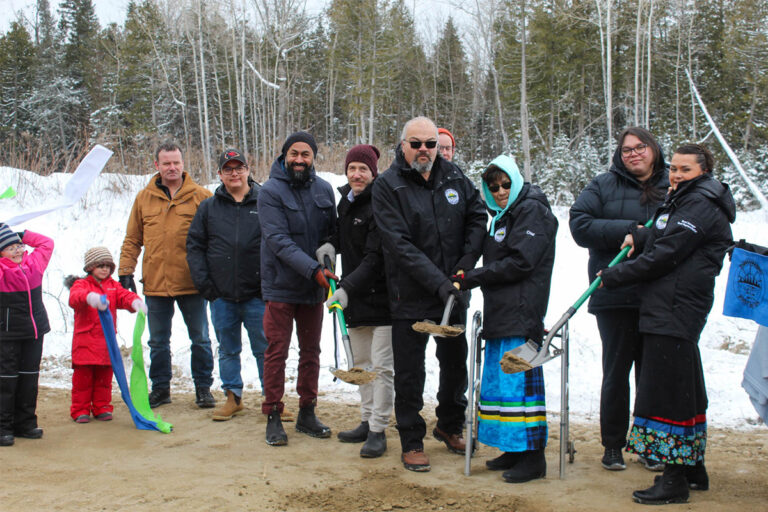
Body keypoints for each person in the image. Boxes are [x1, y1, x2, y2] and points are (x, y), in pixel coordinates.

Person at [599, 143, 735, 505]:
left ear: (703, 171)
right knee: (686, 389)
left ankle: (674, 478)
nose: (676, 175)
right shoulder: (685, 199)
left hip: (675, 307)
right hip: (669, 306)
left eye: (685, 170)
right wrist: (641, 235)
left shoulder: (700, 204)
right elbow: (664, 236)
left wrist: (617, 275)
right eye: (673, 168)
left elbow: (667, 254)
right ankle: (693, 468)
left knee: (668, 394)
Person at [372, 116, 486, 472]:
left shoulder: (454, 177)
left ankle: (449, 425)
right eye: (416, 143)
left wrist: (464, 267)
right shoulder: (387, 186)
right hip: (411, 297)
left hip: (453, 293)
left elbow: (478, 217)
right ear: (402, 145)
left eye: (431, 144)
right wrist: (440, 282)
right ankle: (411, 439)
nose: (424, 150)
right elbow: (399, 246)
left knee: (454, 367)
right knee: (410, 372)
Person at [451, 155, 557, 483]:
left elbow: (521, 261)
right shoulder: (501, 216)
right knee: (502, 388)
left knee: (520, 387)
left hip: (523, 314)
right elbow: (480, 250)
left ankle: (533, 457)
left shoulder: (533, 210)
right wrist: (461, 269)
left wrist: (476, 276)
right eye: (493, 186)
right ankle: (513, 449)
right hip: (501, 314)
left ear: (517, 181)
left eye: (506, 184)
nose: (499, 191)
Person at [569, 127, 669, 472]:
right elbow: (579, 224)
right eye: (627, 150)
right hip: (612, 292)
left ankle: (649, 444)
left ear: (653, 150)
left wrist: (645, 237)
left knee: (652, 374)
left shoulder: (674, 186)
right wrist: (624, 230)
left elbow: (684, 229)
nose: (633, 154)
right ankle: (613, 444)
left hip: (658, 294)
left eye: (640, 147)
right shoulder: (603, 185)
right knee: (615, 372)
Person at [118, 142, 215, 409]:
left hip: (192, 283)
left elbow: (215, 239)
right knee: (158, 341)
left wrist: (213, 275)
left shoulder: (202, 197)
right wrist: (125, 271)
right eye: (166, 163)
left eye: (176, 162)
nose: (172, 168)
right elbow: (133, 239)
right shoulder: (143, 198)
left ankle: (203, 388)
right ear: (156, 165)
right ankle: (161, 388)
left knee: (201, 338)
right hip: (156, 284)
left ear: (183, 164)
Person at [258, 131, 338, 446]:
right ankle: (273, 414)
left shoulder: (324, 190)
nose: (300, 160)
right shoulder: (270, 192)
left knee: (311, 352)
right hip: (280, 286)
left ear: (313, 157)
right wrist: (313, 270)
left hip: (313, 288)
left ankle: (307, 411)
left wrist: (328, 262)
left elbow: (332, 233)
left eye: (305, 154)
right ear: (285, 156)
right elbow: (277, 240)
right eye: (294, 154)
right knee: (276, 352)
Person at [186, 148, 267, 422]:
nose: (234, 173)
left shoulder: (265, 200)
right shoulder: (208, 207)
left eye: (239, 167)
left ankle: (273, 399)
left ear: (248, 169)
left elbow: (277, 242)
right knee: (228, 349)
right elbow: (195, 246)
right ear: (219, 174)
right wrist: (206, 286)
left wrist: (269, 284)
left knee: (265, 349)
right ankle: (233, 397)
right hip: (221, 296)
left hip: (258, 295)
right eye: (228, 169)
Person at [326, 144, 394, 458]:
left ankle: (379, 429)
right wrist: (329, 245)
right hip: (355, 300)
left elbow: (374, 257)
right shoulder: (347, 203)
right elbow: (345, 238)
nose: (356, 174)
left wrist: (346, 288)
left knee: (381, 369)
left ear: (373, 173)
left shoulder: (381, 202)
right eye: (352, 168)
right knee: (361, 365)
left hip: (382, 301)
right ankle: (366, 420)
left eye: (363, 169)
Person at [66, 247, 146, 423]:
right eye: (100, 266)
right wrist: (89, 298)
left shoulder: (112, 286)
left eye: (108, 266)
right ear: (90, 267)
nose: (105, 269)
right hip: (85, 342)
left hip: (106, 343)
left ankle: (102, 406)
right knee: (83, 381)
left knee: (104, 378)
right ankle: (80, 409)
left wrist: (135, 302)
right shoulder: (81, 284)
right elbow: (74, 297)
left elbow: (124, 296)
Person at [0, 224, 53, 447]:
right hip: (8, 333)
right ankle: (3, 427)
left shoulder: (33, 264)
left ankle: (25, 423)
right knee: (7, 381)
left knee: (29, 379)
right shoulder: (2, 271)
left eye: (19, 246)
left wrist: (22, 234)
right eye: (11, 248)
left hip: (34, 331)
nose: (18, 251)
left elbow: (46, 243)